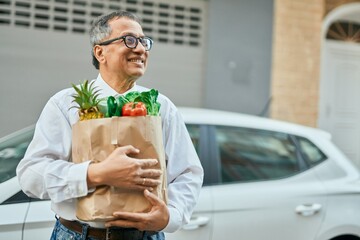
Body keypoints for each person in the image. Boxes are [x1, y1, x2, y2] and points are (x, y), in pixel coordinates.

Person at [16, 10, 203, 240]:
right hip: (79, 235)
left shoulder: (162, 106)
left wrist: (170, 216)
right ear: (100, 51)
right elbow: (30, 175)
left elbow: (188, 173)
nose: (141, 49)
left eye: (144, 41)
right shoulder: (66, 105)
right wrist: (95, 174)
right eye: (130, 39)